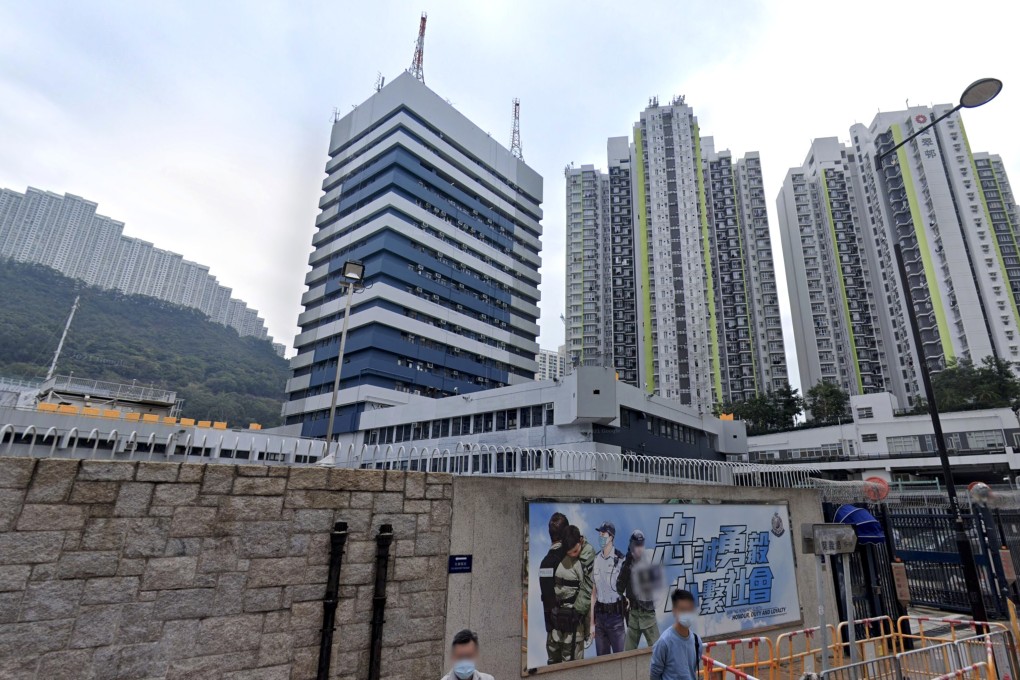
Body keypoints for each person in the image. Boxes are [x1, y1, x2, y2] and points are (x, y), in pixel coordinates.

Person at [546, 525, 594, 664]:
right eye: (570, 553)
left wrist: (576, 614)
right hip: (558, 619)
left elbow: (587, 590)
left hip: (574, 620)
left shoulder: (587, 556)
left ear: (581, 541)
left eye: (576, 551)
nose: (573, 555)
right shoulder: (563, 553)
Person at [616, 529, 664, 650]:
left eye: (641, 545)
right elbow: (619, 588)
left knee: (658, 650)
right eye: (636, 545)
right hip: (634, 615)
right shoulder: (627, 564)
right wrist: (627, 566)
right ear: (631, 546)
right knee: (627, 652)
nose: (639, 548)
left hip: (648, 614)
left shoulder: (649, 560)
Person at [591, 521, 627, 656]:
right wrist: (591, 624)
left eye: (603, 534)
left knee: (621, 660)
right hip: (600, 619)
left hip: (615, 618)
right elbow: (593, 595)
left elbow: (627, 590)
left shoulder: (621, 560)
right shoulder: (596, 560)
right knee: (602, 661)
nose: (600, 537)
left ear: (611, 537)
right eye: (599, 534)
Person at [650, 589, 702, 680]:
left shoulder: (697, 641)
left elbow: (692, 669)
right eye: (683, 610)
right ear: (674, 611)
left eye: (689, 610)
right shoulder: (664, 642)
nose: (687, 614)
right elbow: (654, 674)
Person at [539, 512, 569, 660]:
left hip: (551, 631)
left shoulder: (545, 562)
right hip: (570, 631)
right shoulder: (568, 558)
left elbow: (547, 596)